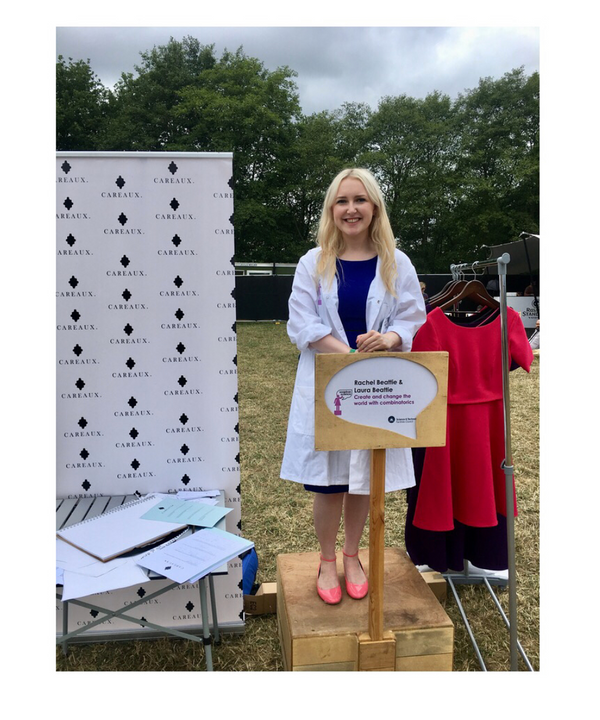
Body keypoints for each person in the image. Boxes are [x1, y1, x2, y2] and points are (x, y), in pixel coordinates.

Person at [280, 168, 426, 604]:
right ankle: (326, 560)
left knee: (364, 474)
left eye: (359, 200)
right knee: (329, 481)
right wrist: (347, 362)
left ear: (374, 207)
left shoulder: (396, 262)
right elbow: (301, 322)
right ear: (331, 210)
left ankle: (351, 556)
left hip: (377, 388)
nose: (351, 209)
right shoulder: (313, 262)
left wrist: (392, 338)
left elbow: (411, 315)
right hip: (329, 383)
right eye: (342, 201)